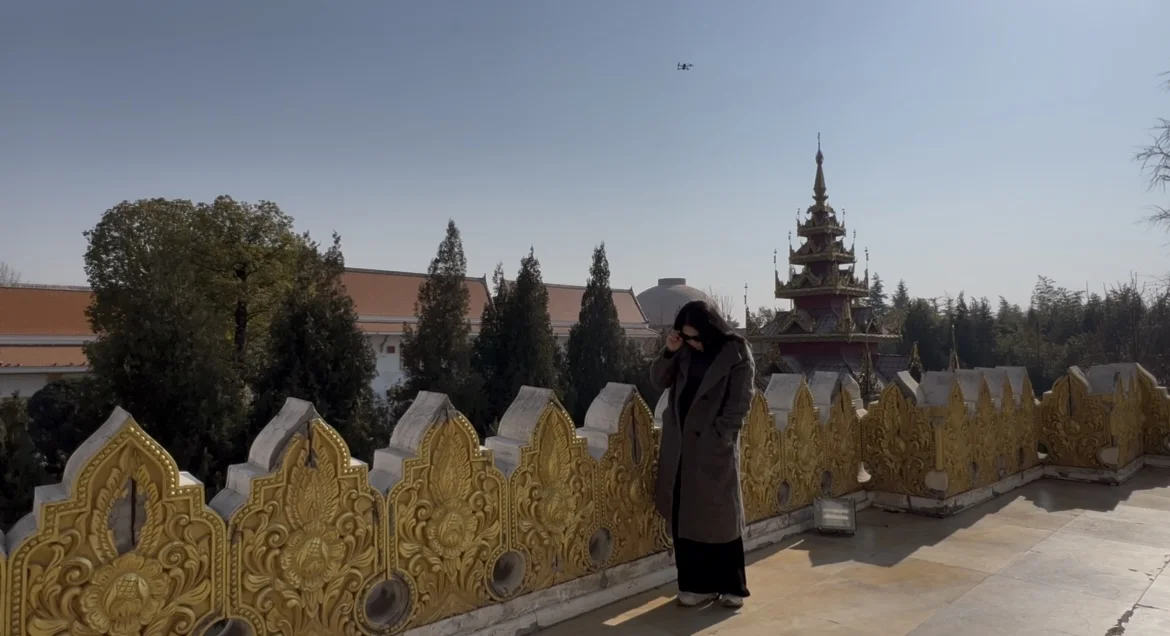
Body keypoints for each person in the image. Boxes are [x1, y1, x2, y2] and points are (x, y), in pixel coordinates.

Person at [650, 300, 755, 609]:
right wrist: (669, 350)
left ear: (710, 330)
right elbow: (657, 380)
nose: (693, 342)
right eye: (686, 336)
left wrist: (719, 437)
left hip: (712, 449)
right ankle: (695, 586)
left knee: (720, 518)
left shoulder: (736, 353)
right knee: (685, 518)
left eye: (696, 336)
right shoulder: (683, 350)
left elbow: (740, 404)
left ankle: (731, 586)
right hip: (680, 446)